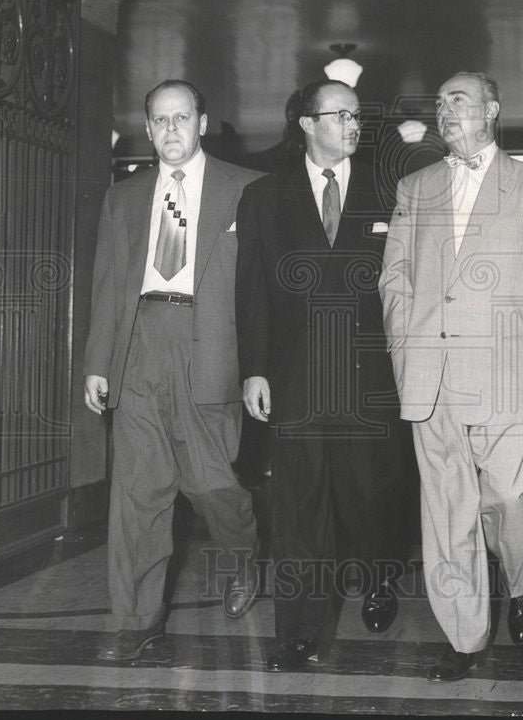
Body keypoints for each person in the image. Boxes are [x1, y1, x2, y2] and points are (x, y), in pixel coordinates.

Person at [379, 71, 523, 682]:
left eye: (458, 100)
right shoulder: (415, 187)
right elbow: (396, 279)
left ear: (492, 109)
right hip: (432, 377)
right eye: (439, 104)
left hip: (509, 375)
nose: (445, 111)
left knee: (508, 499)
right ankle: (464, 638)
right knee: (446, 512)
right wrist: (404, 346)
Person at [84, 79, 263, 662]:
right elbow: (109, 287)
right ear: (147, 126)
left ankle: (243, 553)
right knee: (138, 492)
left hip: (210, 349)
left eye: (181, 118)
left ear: (202, 123)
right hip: (139, 349)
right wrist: (97, 363)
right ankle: (136, 621)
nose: (169, 131)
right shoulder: (125, 197)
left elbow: (265, 292)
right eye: (159, 120)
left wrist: (261, 367)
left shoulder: (248, 190)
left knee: (213, 486)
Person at [235, 79, 409, 672]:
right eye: (340, 115)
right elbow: (251, 290)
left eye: (358, 115)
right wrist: (254, 370)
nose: (353, 125)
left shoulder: (392, 192)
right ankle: (298, 633)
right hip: (297, 379)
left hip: (371, 377)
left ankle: (380, 576)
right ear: (307, 124)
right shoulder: (264, 197)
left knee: (372, 496)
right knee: (297, 507)